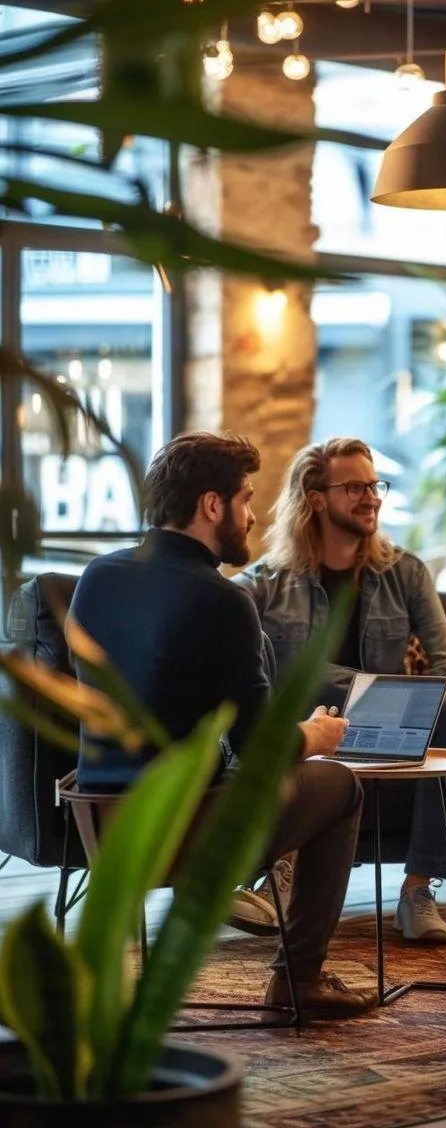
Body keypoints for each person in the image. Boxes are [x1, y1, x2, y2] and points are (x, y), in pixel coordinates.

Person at [70, 430, 376, 1020]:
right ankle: (299, 981)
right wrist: (316, 733)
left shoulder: (96, 578)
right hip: (180, 828)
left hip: (100, 823)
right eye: (245, 498)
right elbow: (261, 750)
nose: (253, 514)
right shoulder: (221, 600)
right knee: (341, 786)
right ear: (212, 505)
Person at [237, 436, 446, 945]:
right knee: (301, 676)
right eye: (355, 487)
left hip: (387, 734)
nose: (372, 498)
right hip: (309, 730)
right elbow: (250, 675)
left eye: (375, 486)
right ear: (316, 497)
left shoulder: (404, 572)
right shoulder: (264, 583)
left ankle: (417, 888)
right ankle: (280, 865)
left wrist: (410, 702)